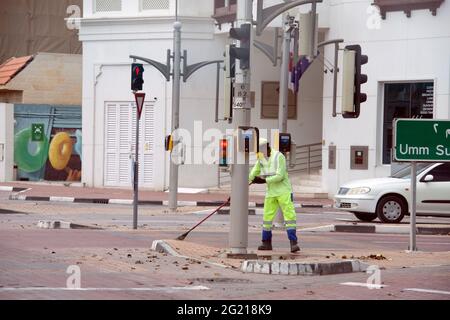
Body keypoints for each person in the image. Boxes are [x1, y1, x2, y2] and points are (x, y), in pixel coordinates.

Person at [249, 138, 300, 253]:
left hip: (284, 192)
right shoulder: (261, 159)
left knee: (289, 217)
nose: (258, 154)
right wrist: (242, 186)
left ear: (266, 147)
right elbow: (252, 174)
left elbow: (280, 176)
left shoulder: (279, 157)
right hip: (271, 193)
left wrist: (263, 181)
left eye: (259, 151)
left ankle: (293, 243)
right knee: (267, 218)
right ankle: (266, 242)